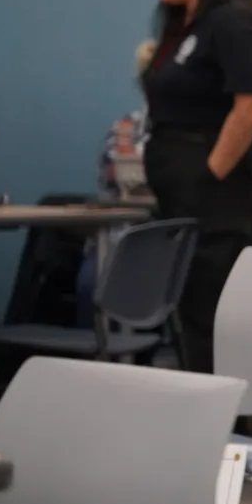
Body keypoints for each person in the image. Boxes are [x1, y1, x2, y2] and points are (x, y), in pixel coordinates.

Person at [141, 0, 252, 374]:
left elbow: (251, 104)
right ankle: (202, 432)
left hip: (222, 202)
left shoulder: (232, 23)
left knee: (218, 320)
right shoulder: (179, 25)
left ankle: (235, 436)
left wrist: (209, 175)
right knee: (193, 320)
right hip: (180, 197)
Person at [74, 41, 156, 327]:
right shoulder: (125, 129)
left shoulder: (205, 134)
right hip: (120, 243)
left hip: (175, 246)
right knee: (93, 287)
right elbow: (128, 177)